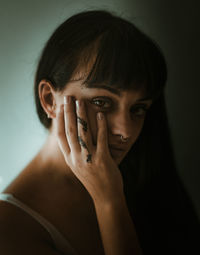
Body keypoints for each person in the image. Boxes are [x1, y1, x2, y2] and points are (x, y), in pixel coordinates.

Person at [0, 10, 199, 255]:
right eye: (102, 102)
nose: (125, 131)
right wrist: (109, 200)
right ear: (50, 99)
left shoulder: (142, 174)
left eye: (138, 108)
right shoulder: (10, 228)